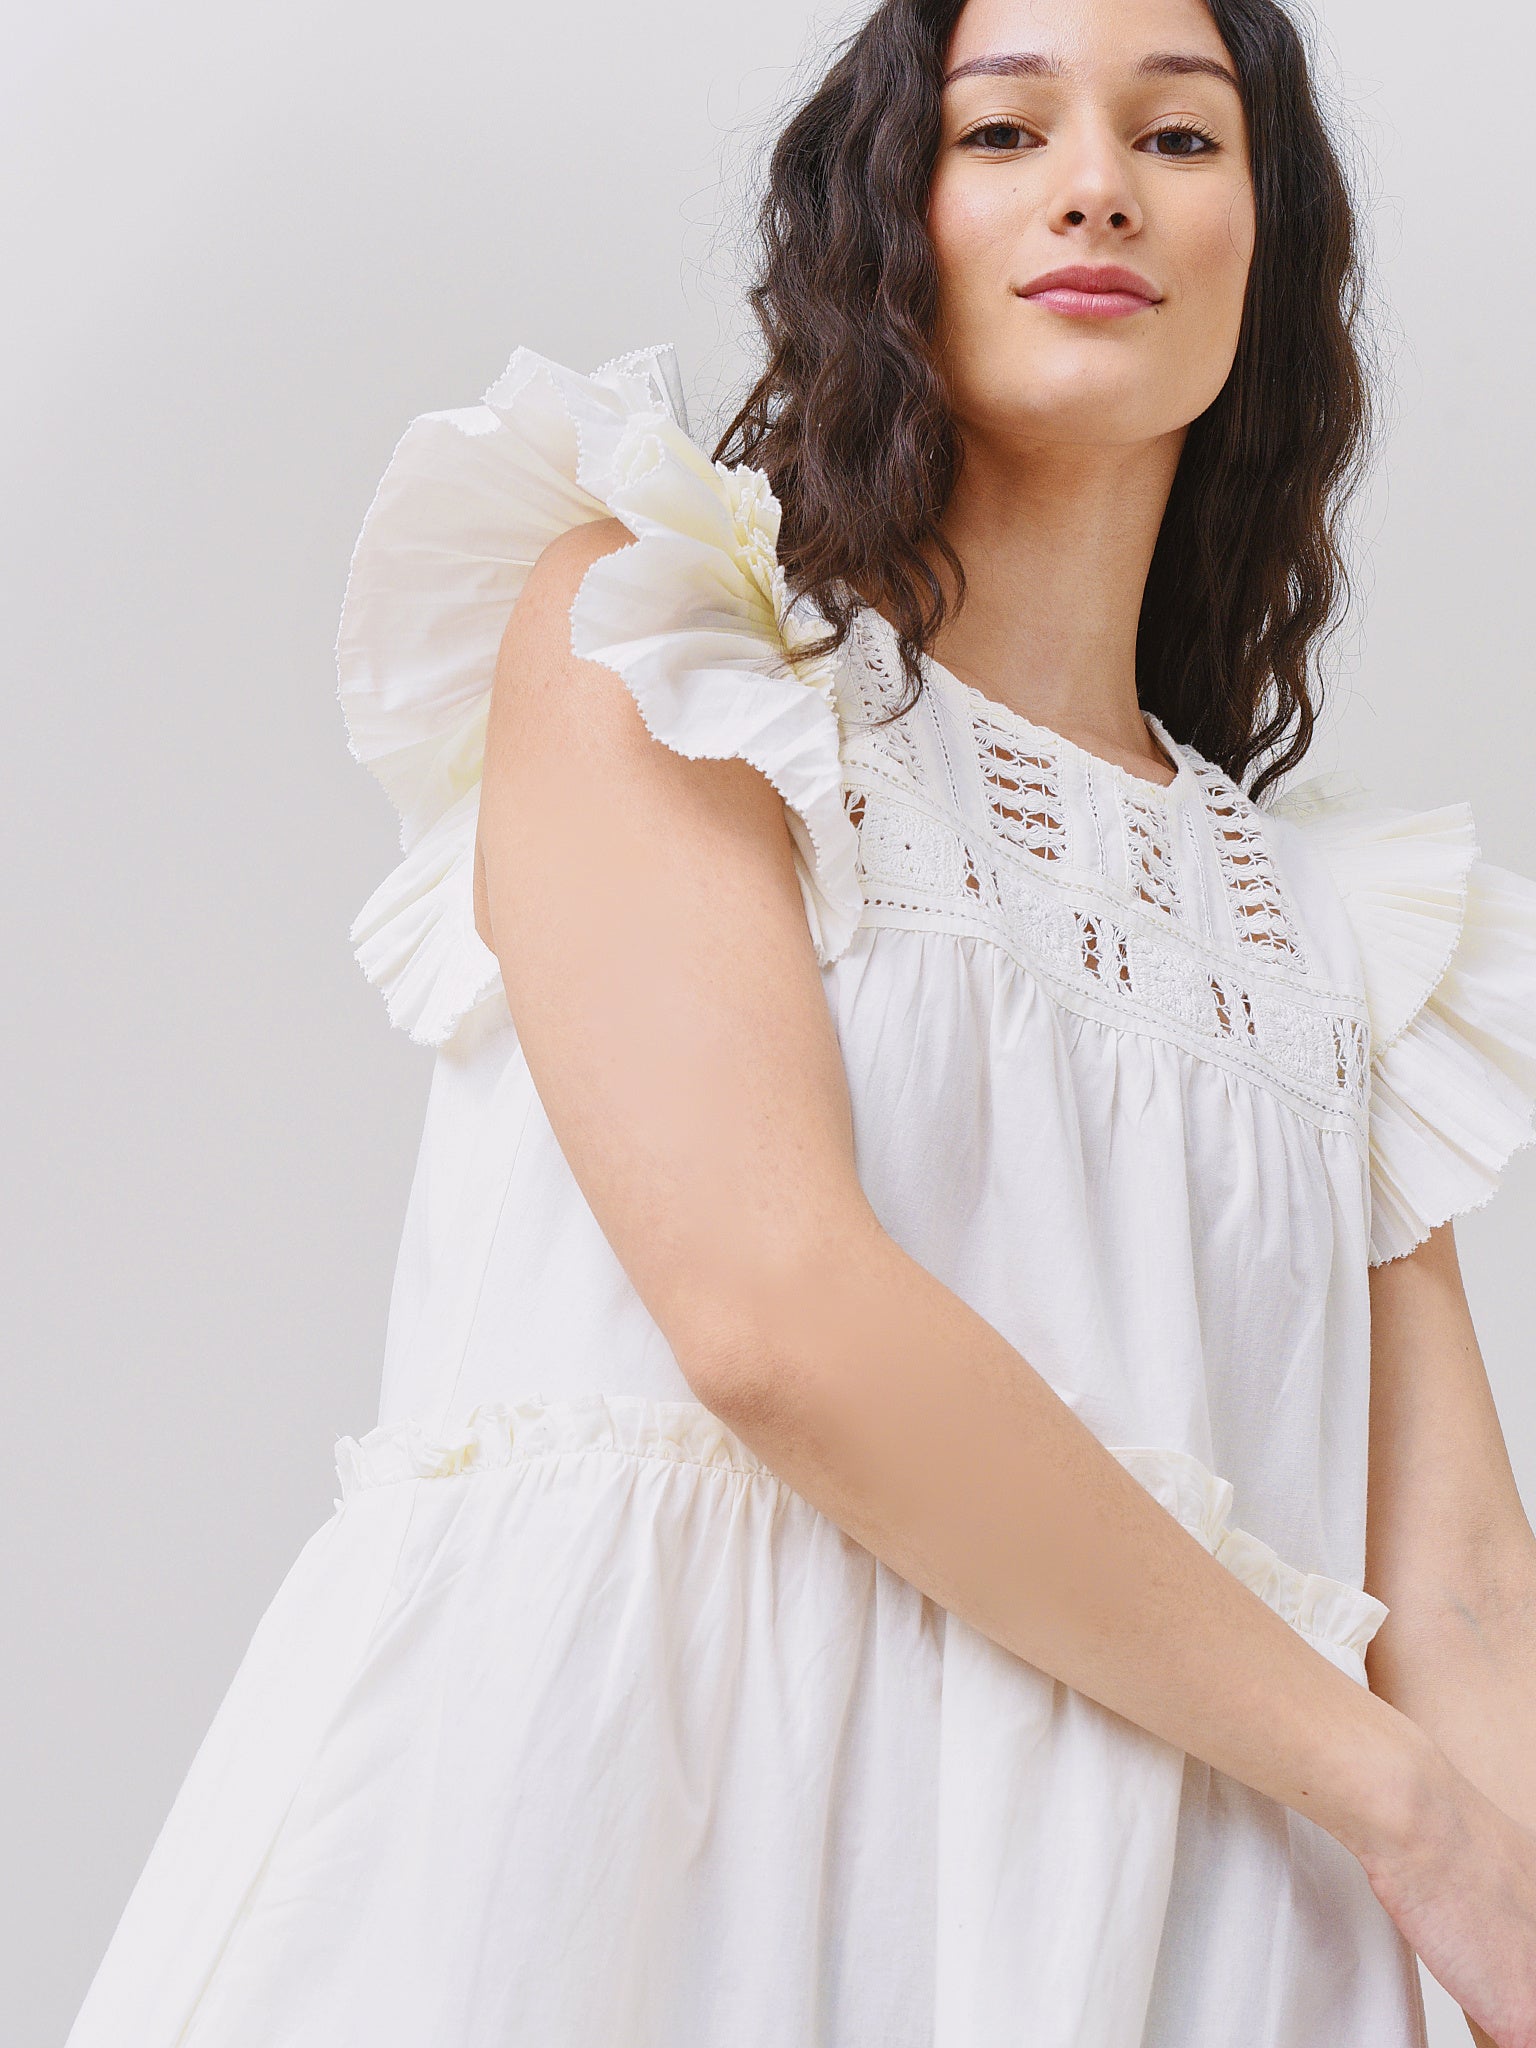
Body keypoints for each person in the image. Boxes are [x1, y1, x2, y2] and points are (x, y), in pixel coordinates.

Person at [65, 0, 1536, 2042]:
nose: (1096, 185)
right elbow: (773, 1315)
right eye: (1002, 131)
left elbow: (1460, 1584)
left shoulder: (1329, 930)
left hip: (1182, 1934)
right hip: (678, 1864)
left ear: (1266, 255)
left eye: (1181, 138)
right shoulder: (667, 644)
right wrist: (1394, 1798)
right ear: (885, 220)